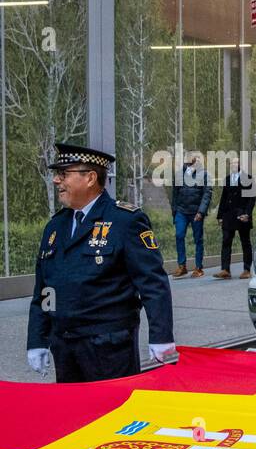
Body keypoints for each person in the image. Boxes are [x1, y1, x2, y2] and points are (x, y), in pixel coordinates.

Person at [26, 143, 175, 382]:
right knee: (74, 416)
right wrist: (37, 339)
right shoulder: (55, 226)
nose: (56, 181)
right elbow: (46, 289)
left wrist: (161, 336)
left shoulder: (124, 220)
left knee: (113, 414)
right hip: (64, 346)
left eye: (64, 174)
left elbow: (152, 283)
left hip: (108, 347)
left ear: (90, 178)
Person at [171, 152, 212, 278]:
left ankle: (198, 267)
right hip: (181, 211)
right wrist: (175, 211)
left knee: (198, 239)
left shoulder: (204, 174)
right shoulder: (179, 174)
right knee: (179, 235)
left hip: (196, 213)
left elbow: (207, 194)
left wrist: (201, 212)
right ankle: (182, 266)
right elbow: (174, 194)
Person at [214, 159, 256, 279]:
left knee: (245, 242)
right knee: (226, 241)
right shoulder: (227, 179)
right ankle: (225, 269)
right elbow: (223, 198)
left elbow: (251, 199)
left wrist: (247, 214)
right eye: (231, 163)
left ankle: (247, 269)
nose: (233, 165)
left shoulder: (248, 178)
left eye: (236, 163)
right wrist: (220, 216)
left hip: (242, 215)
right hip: (228, 215)